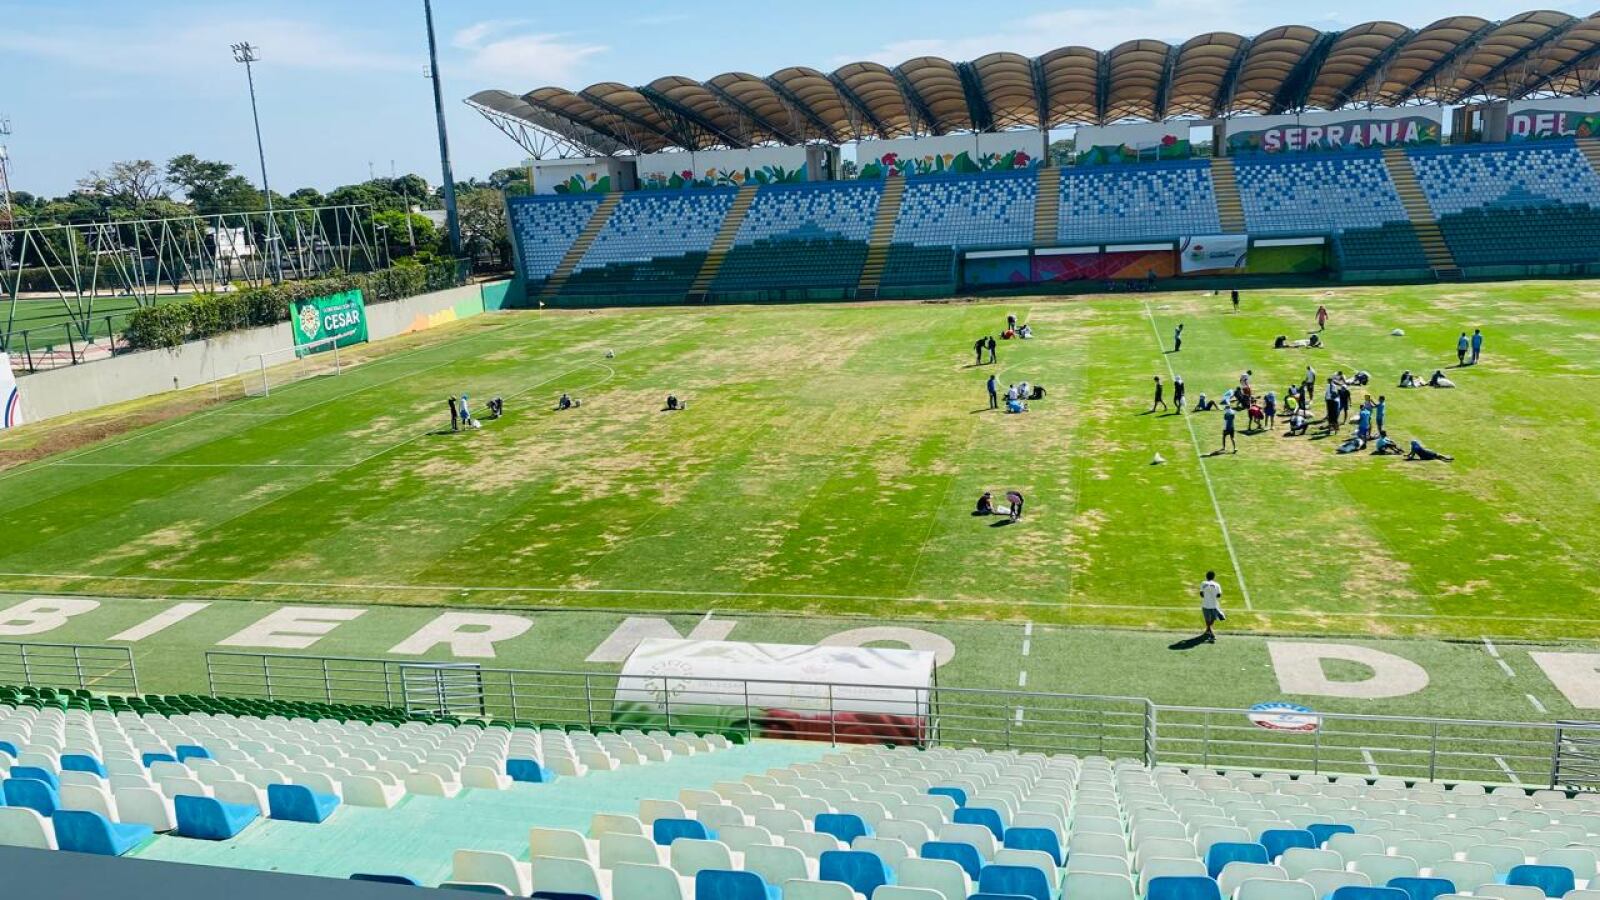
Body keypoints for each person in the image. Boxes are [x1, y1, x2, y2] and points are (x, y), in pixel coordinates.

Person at [1199, 570, 1225, 642]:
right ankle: (1208, 631)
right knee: (1212, 620)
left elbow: (1201, 594)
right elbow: (1219, 595)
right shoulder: (1217, 585)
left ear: (1206, 576)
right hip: (1214, 605)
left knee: (1207, 621)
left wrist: (1207, 595)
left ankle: (1212, 634)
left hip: (1205, 604)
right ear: (1214, 577)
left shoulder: (1203, 583)